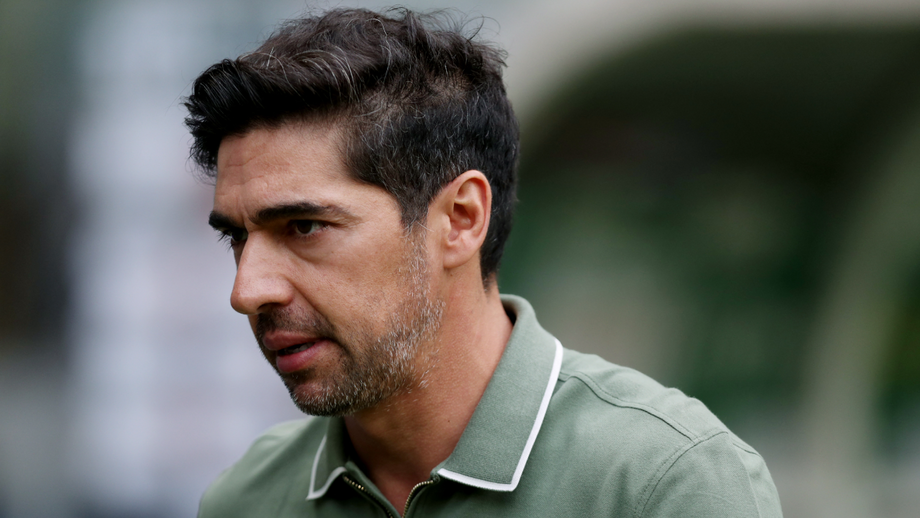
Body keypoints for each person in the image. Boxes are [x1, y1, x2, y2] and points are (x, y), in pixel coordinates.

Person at [184, 7, 783, 517]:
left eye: (305, 227)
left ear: (461, 219)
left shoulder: (664, 484)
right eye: (237, 237)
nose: (247, 291)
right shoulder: (247, 500)